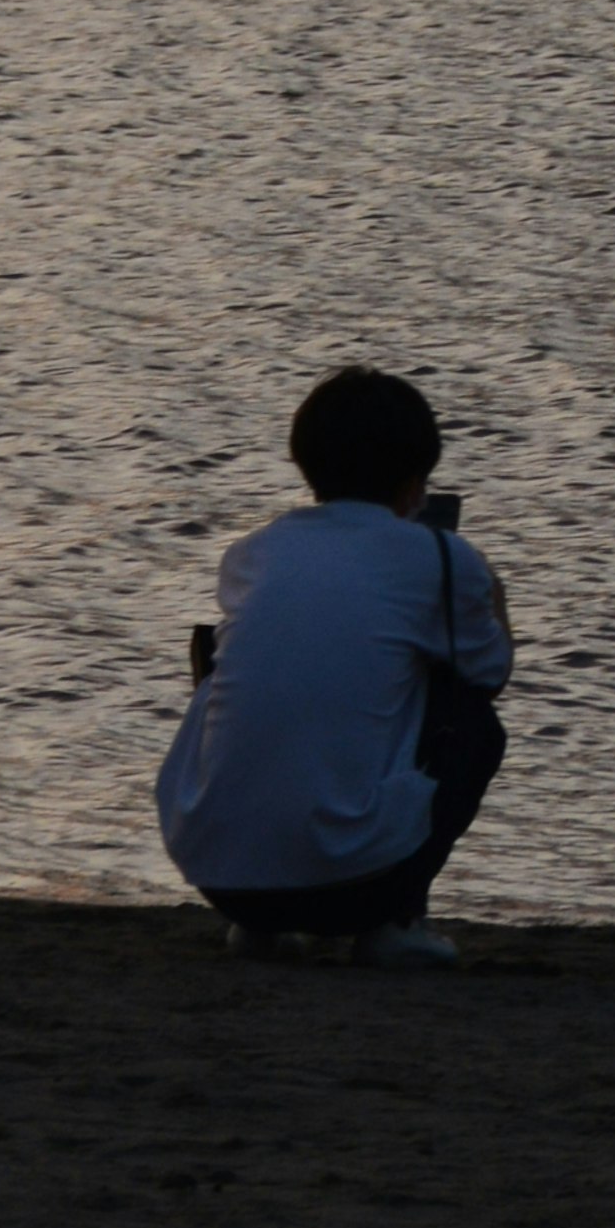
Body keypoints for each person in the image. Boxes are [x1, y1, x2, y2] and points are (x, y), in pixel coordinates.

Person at [156, 363, 514, 964]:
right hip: (349, 884)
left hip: (219, 876)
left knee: (229, 665)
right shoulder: (441, 556)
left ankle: (263, 929)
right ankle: (395, 922)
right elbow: (490, 672)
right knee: (473, 719)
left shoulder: (253, 552)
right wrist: (488, 588)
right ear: (416, 481)